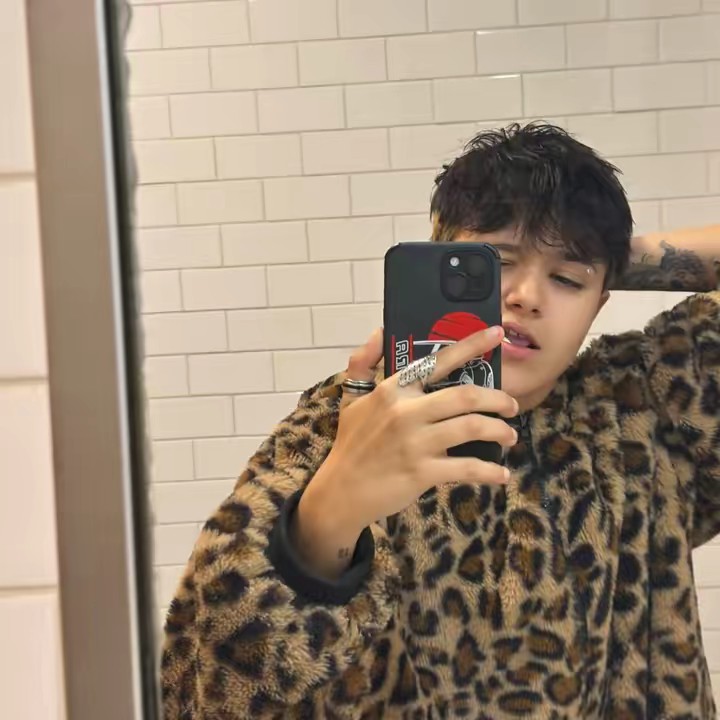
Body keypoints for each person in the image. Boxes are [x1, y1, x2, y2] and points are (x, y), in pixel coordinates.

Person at [160, 123, 720, 719]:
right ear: (436, 255)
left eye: (567, 280)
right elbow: (202, 689)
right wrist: (328, 514)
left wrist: (606, 253)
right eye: (494, 262)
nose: (527, 295)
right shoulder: (346, 425)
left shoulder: (644, 408)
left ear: (601, 301)